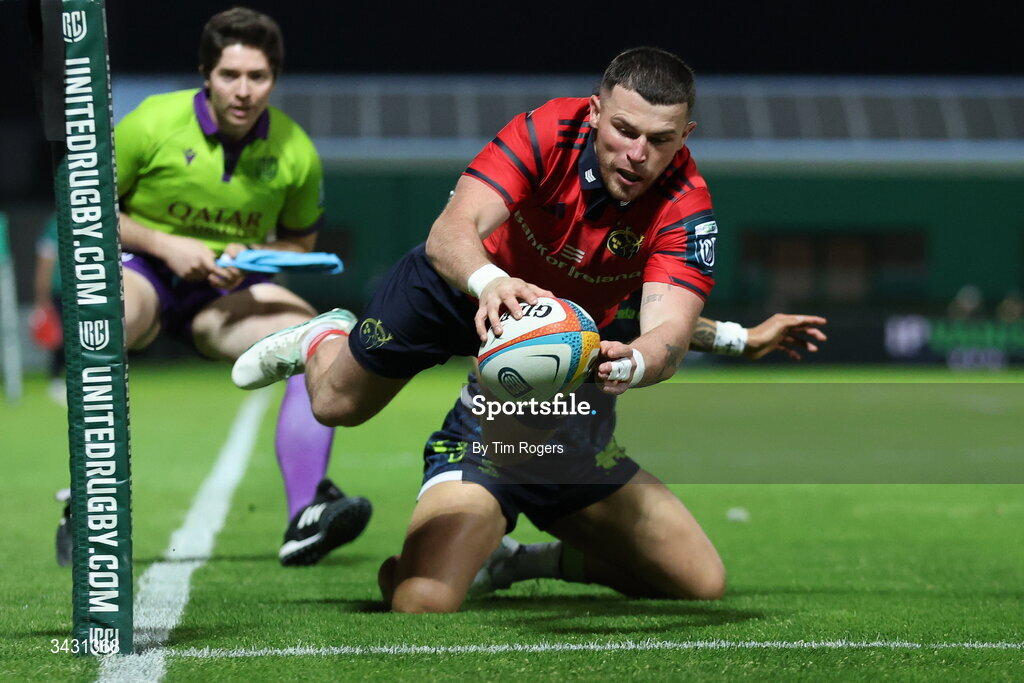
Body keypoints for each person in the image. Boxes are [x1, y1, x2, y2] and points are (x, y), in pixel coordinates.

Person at [234, 47, 724, 446]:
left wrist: (635, 362)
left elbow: (670, 333)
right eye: (625, 130)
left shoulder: (686, 206)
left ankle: (503, 553)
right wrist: (492, 281)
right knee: (335, 406)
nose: (638, 154)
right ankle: (322, 338)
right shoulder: (550, 131)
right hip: (462, 284)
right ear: (595, 111)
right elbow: (449, 232)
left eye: (660, 139)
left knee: (541, 464)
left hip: (559, 336)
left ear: (685, 136)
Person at [112, 7, 370, 566]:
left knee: (321, 338)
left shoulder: (295, 150)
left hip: (228, 294)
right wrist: (167, 245)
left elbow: (299, 247)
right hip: (145, 273)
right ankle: (88, 499)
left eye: (258, 77)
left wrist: (250, 256)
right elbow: (91, 209)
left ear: (273, 79)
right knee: (109, 323)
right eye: (230, 75)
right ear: (206, 73)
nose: (244, 90)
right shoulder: (150, 123)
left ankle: (305, 514)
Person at [376, 296, 827, 612]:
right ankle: (449, 556)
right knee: (421, 603)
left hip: (581, 460)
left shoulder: (632, 261)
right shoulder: (526, 256)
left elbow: (661, 323)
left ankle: (516, 561)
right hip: (486, 452)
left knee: (700, 582)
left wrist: (741, 339)